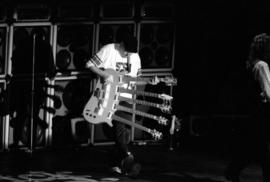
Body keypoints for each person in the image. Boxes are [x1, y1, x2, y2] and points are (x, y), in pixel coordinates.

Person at [86, 32, 142, 177]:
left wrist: (150, 81)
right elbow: (90, 64)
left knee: (123, 132)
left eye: (131, 51)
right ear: (121, 44)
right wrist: (104, 75)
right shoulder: (109, 49)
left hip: (126, 97)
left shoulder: (135, 56)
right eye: (126, 50)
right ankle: (129, 159)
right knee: (119, 129)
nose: (128, 53)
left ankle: (114, 164)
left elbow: (137, 77)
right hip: (109, 97)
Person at [225, 33, 270, 182]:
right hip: (262, 113)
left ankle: (232, 170)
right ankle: (233, 170)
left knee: (255, 148)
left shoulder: (251, 63)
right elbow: (268, 92)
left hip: (253, 111)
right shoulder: (262, 66)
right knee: (262, 149)